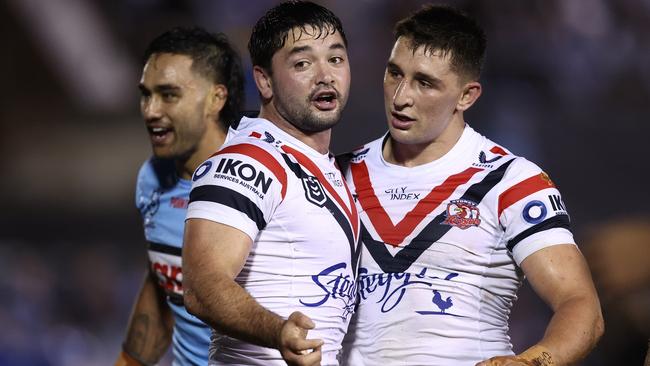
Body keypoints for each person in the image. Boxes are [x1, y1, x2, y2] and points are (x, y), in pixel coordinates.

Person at [339, 5, 604, 366]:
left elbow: (580, 304)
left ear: (467, 96)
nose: (401, 96)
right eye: (394, 73)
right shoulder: (337, 175)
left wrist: (532, 362)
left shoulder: (512, 182)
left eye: (425, 82)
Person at [182, 1, 357, 366]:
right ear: (264, 80)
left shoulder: (325, 169)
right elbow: (202, 285)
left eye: (336, 60)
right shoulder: (248, 160)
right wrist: (278, 331)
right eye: (302, 63)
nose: (325, 75)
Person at [116, 27, 244, 366]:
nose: (150, 110)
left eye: (169, 95)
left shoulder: (270, 181)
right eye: (146, 94)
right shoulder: (151, 178)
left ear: (217, 99)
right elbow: (164, 286)